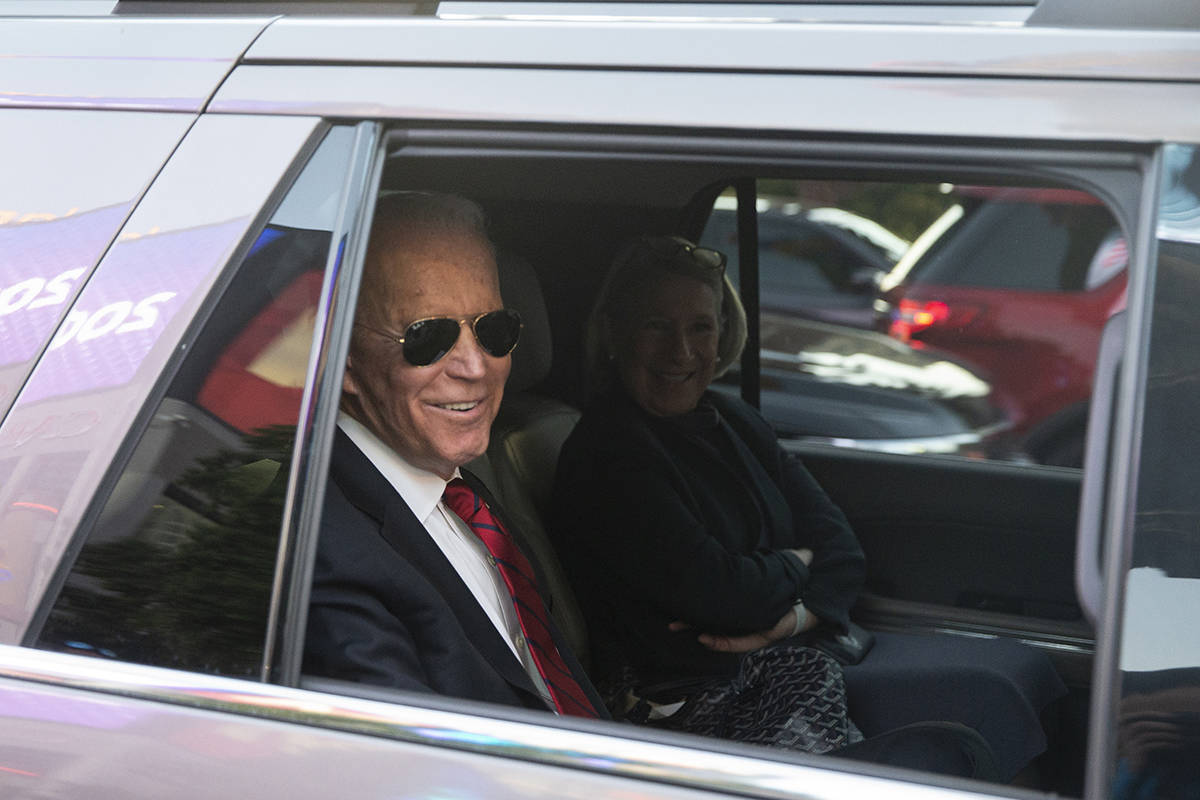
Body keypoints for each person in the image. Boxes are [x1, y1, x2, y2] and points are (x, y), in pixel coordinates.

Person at [550, 234, 1066, 779]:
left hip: (791, 651)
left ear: (723, 333)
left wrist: (791, 617)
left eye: (700, 327)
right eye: (656, 326)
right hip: (700, 693)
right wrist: (797, 562)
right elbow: (723, 596)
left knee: (1017, 670)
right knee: (982, 706)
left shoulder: (733, 421)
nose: (681, 351)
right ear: (615, 333)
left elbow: (840, 547)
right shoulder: (608, 453)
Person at [303, 192, 606, 718]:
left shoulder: (460, 491)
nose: (476, 367)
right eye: (428, 337)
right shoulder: (326, 554)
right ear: (344, 358)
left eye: (494, 330)